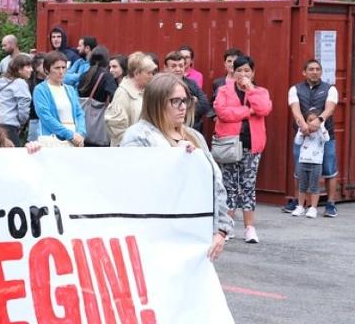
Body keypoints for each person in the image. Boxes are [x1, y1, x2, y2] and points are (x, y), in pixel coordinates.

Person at [121, 74, 231, 261]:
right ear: (157, 103)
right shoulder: (138, 137)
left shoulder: (194, 136)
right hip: (157, 239)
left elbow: (216, 185)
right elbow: (132, 187)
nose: (183, 107)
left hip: (196, 237)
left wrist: (221, 230)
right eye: (175, 101)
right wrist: (171, 159)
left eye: (186, 101)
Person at [213, 55, 272, 244]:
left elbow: (264, 109)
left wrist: (251, 90)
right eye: (239, 70)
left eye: (247, 70)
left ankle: (249, 228)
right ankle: (226, 227)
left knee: (248, 186)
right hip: (229, 144)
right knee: (229, 186)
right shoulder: (223, 90)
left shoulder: (260, 91)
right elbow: (222, 113)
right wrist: (248, 112)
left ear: (253, 73)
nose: (243, 74)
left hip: (252, 145)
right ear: (233, 72)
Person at [284, 59, 339, 217]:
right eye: (311, 69)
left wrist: (319, 121)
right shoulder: (295, 89)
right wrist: (303, 125)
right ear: (304, 72)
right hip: (303, 136)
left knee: (329, 169)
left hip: (325, 136)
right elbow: (295, 109)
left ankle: (330, 203)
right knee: (299, 170)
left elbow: (330, 108)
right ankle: (299, 202)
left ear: (321, 72)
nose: (315, 72)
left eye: (317, 69)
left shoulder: (330, 89)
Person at [32, 52, 86, 147]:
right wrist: (70, 135)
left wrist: (81, 133)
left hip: (75, 139)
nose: (61, 71)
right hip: (53, 140)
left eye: (63, 67)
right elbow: (46, 117)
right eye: (57, 68)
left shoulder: (70, 89)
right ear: (47, 70)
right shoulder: (40, 90)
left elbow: (79, 113)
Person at [106, 52, 157, 146]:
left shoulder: (146, 91)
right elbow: (116, 127)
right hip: (129, 152)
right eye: (149, 73)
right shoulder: (123, 93)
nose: (152, 76)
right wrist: (131, 145)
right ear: (137, 73)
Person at [291, 109, 329, 219]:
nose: (311, 123)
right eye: (309, 120)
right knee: (302, 186)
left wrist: (321, 127)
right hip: (303, 161)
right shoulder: (303, 131)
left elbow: (326, 139)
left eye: (314, 121)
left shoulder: (321, 132)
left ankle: (313, 208)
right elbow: (297, 142)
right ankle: (300, 206)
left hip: (316, 163)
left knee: (314, 186)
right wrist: (301, 131)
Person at [162, 51, 212, 133]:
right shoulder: (160, 86)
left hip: (192, 130)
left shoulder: (192, 83)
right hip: (168, 130)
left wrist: (180, 111)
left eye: (181, 66)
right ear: (165, 68)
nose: (178, 69)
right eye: (173, 66)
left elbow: (205, 105)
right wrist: (191, 102)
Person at [0, 54, 33, 146]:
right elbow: (23, 109)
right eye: (28, 67)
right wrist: (22, 123)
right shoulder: (20, 83)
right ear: (19, 69)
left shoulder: (0, 82)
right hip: (9, 126)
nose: (31, 69)